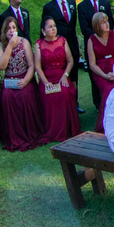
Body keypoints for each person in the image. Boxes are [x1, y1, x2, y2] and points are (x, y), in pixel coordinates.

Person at [0, 17, 41, 152]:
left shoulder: (24, 42)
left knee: (25, 95)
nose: (11, 31)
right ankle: (14, 135)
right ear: (4, 31)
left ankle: (28, 132)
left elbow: (32, 65)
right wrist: (9, 45)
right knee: (7, 97)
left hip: (24, 77)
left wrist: (26, 80)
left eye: (13, 28)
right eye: (8, 28)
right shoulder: (0, 45)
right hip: (10, 80)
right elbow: (1, 66)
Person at [34, 16, 81, 145]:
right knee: (48, 96)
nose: (53, 28)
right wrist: (45, 82)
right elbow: (37, 66)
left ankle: (66, 129)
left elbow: (70, 61)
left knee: (64, 93)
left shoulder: (62, 40)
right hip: (46, 78)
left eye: (54, 26)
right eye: (50, 26)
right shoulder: (39, 44)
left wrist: (65, 75)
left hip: (62, 76)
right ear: (43, 30)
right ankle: (52, 131)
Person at [42, 0, 82, 112]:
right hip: (58, 46)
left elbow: (73, 23)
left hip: (72, 43)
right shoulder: (48, 7)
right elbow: (45, 27)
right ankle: (61, 103)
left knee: (74, 74)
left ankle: (75, 103)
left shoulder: (71, 2)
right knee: (62, 72)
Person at [78, 0, 114, 110]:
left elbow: (110, 21)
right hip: (93, 45)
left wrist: (106, 35)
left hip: (108, 45)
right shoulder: (82, 6)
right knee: (95, 77)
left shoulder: (104, 3)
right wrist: (97, 37)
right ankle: (99, 105)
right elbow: (84, 27)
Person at [86, 12, 114, 133]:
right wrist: (105, 75)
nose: (107, 24)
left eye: (107, 21)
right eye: (103, 22)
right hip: (101, 72)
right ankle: (107, 123)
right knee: (108, 90)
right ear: (97, 25)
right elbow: (92, 64)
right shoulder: (91, 40)